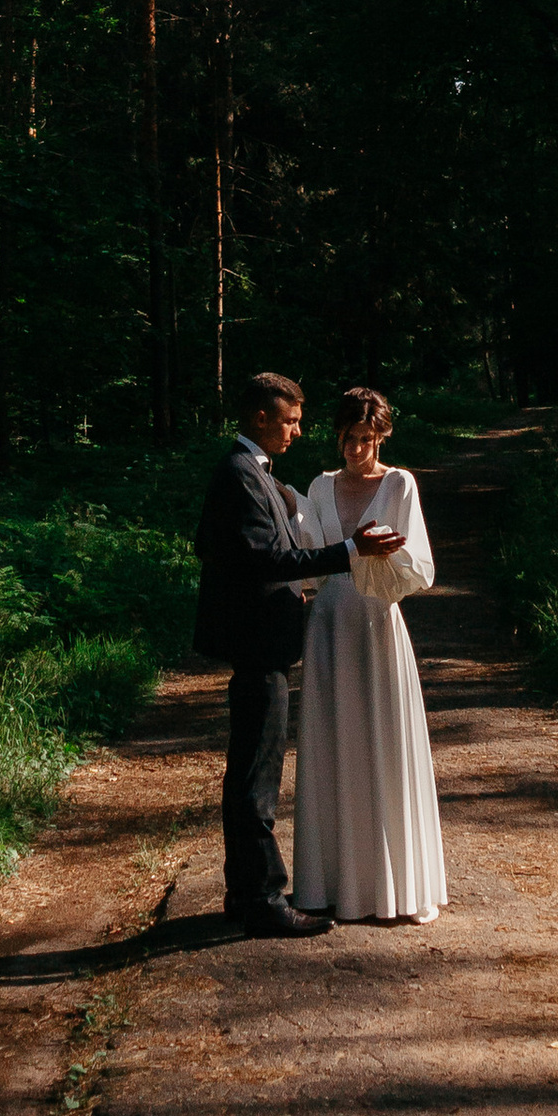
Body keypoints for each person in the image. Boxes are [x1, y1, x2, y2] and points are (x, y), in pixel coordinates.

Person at [195, 372, 406, 938]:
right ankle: (261, 900)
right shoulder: (240, 473)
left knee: (251, 774)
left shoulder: (255, 476)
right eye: (289, 420)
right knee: (256, 782)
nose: (297, 430)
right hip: (256, 643)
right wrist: (348, 551)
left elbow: (233, 548)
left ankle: (244, 894)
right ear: (261, 417)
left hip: (260, 643)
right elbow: (265, 563)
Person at [289, 384, 445, 925]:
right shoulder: (319, 485)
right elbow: (308, 560)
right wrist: (292, 513)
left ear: (381, 437)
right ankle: (333, 885)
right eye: (348, 439)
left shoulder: (399, 483)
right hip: (329, 621)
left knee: (382, 740)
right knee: (333, 743)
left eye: (366, 439)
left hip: (377, 617)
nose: (356, 450)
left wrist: (387, 558)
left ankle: (389, 888)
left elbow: (419, 568)